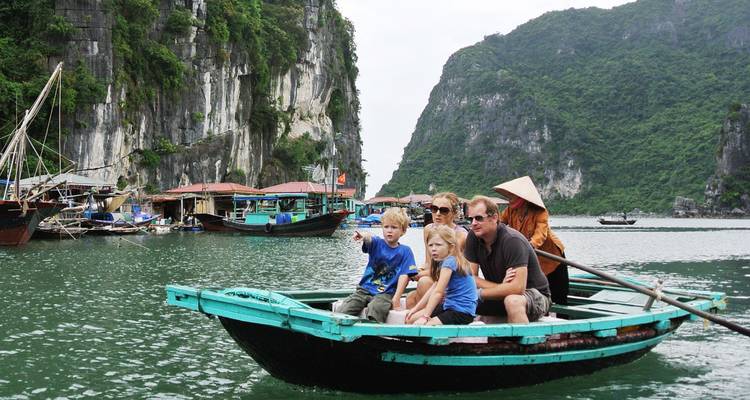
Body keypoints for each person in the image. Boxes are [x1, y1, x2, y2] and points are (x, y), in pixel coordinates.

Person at [464, 195, 551, 323]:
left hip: (533, 295)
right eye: (470, 219)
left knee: (512, 301)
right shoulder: (473, 236)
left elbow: (517, 289)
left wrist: (480, 293)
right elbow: (469, 278)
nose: (473, 223)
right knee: (450, 296)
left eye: (478, 218)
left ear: (494, 218)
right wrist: (502, 287)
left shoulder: (512, 240)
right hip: (500, 294)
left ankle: (525, 341)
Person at [494, 176, 569, 305]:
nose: (510, 198)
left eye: (513, 195)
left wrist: (529, 246)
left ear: (522, 197)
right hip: (532, 258)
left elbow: (541, 234)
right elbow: (498, 225)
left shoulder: (540, 212)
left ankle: (565, 321)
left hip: (552, 257)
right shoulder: (510, 211)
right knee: (535, 290)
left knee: (559, 294)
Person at [337, 207, 418, 322]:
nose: (389, 230)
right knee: (346, 307)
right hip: (364, 289)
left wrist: (396, 298)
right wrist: (363, 236)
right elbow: (369, 237)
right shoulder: (377, 243)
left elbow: (405, 276)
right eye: (386, 227)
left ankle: (372, 330)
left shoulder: (405, 251)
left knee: (377, 308)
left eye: (394, 227)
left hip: (385, 293)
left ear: (403, 231)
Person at [405, 192, 468, 308]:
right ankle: (418, 320)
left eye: (444, 210)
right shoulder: (429, 229)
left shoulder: (460, 236)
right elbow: (429, 262)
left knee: (423, 282)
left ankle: (427, 317)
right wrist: (417, 271)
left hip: (452, 281)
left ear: (454, 213)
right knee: (410, 298)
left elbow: (449, 269)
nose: (438, 214)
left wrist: (420, 274)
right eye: (434, 209)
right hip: (435, 276)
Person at [405, 225, 477, 325]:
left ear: (451, 247)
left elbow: (438, 292)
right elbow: (433, 288)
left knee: (425, 326)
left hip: (461, 312)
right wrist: (415, 309)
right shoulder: (442, 261)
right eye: (430, 245)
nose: (433, 249)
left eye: (438, 245)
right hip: (449, 306)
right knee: (410, 319)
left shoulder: (450, 262)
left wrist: (425, 317)